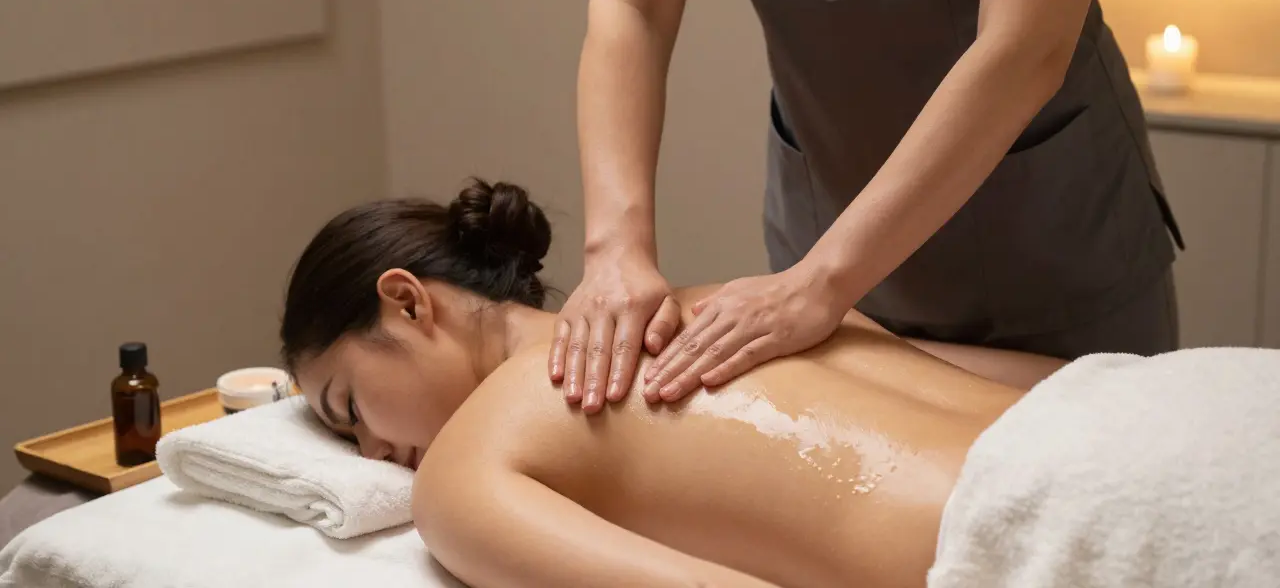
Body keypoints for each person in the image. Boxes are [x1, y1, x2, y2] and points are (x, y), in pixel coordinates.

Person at [280, 180, 1277, 588]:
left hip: (1073, 531)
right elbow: (1049, 383)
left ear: (407, 301)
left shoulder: (462, 470)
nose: (370, 451)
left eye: (346, 407)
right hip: (1195, 413)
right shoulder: (737, 301)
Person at [553, 0, 1186, 414]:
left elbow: (1025, 49)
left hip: (1045, 256)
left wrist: (822, 284)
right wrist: (615, 248)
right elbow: (632, 5)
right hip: (824, 236)